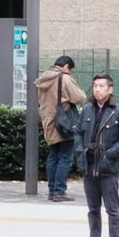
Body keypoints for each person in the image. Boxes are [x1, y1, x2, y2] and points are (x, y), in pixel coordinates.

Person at [75, 71, 119, 237]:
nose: (98, 89)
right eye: (95, 86)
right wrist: (80, 151)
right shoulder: (87, 110)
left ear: (110, 89)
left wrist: (110, 153)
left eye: (101, 86)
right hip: (89, 164)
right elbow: (77, 132)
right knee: (93, 208)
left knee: (112, 208)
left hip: (107, 166)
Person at [35, 54, 86, 202]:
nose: (70, 72)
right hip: (64, 122)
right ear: (65, 67)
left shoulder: (43, 78)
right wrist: (82, 94)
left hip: (48, 120)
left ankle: (52, 191)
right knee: (65, 157)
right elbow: (78, 98)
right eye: (70, 70)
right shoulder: (64, 78)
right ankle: (59, 191)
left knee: (53, 156)